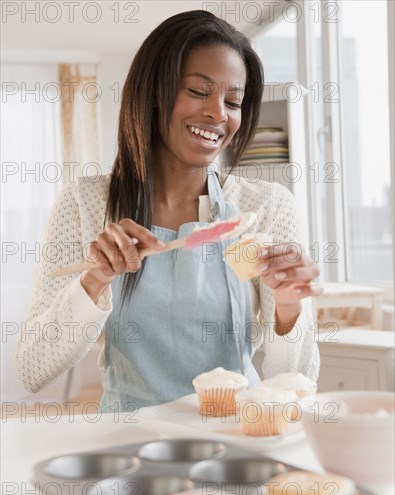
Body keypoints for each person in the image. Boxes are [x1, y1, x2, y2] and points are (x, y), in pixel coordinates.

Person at [14, 10, 322, 412]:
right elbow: (32, 369)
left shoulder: (268, 206)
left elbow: (295, 381)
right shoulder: (85, 202)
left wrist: (288, 306)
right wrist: (94, 281)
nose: (218, 113)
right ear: (154, 92)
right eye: (198, 91)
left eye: (233, 101)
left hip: (236, 435)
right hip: (129, 441)